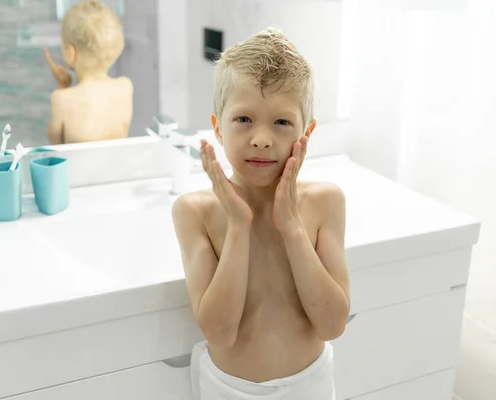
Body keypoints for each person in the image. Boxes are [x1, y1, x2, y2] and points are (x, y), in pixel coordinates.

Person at [172, 27, 351, 400]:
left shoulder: (324, 203)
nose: (261, 139)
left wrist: (293, 229)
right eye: (244, 120)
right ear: (218, 127)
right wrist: (238, 226)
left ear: (307, 131)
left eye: (282, 122)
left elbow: (332, 324)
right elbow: (220, 333)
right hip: (229, 389)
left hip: (310, 385)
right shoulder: (195, 212)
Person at [43, 0, 133, 145]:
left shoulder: (61, 99)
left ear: (70, 53)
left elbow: (56, 146)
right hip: (118, 166)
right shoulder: (125, 87)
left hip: (77, 168)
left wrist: (62, 86)